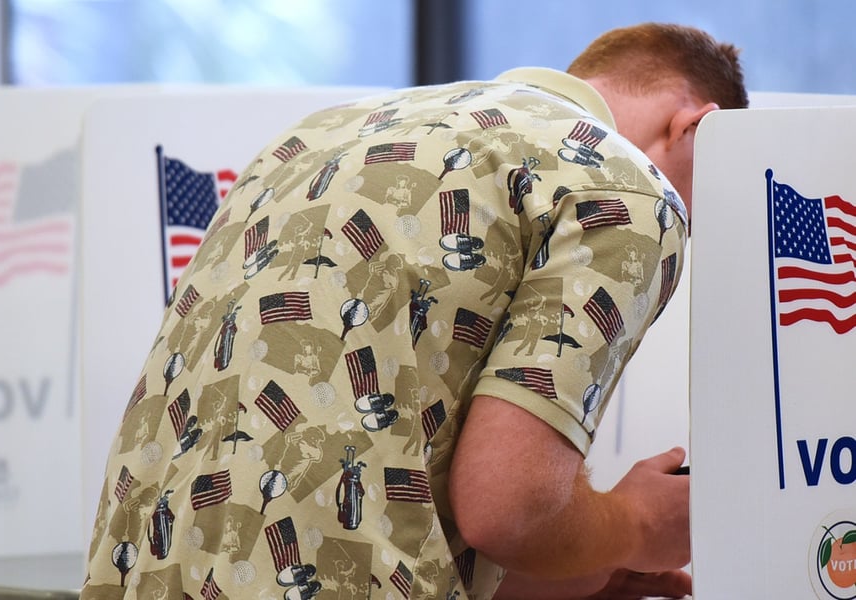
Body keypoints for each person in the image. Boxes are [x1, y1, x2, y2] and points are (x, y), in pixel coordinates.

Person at [79, 22, 747, 600]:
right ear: (694, 125)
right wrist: (634, 524)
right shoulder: (622, 183)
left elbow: (336, 445)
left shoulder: (316, 136)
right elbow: (508, 510)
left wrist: (566, 565)